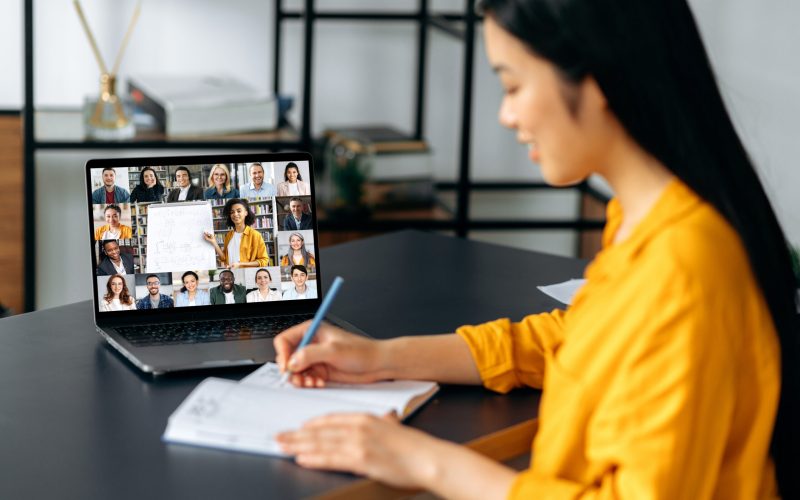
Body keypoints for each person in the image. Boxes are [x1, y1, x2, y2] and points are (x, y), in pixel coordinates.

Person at [272, 1, 800, 498]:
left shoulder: (683, 267)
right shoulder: (645, 221)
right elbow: (569, 341)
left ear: (594, 80)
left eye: (514, 84)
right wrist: (380, 358)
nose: (505, 114)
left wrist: (426, 463)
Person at [203, 198, 270, 268]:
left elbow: (264, 260)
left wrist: (240, 264)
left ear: (246, 213)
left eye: (239, 211)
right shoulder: (229, 235)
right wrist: (214, 242)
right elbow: (224, 258)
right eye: (232, 212)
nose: (235, 214)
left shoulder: (255, 235)